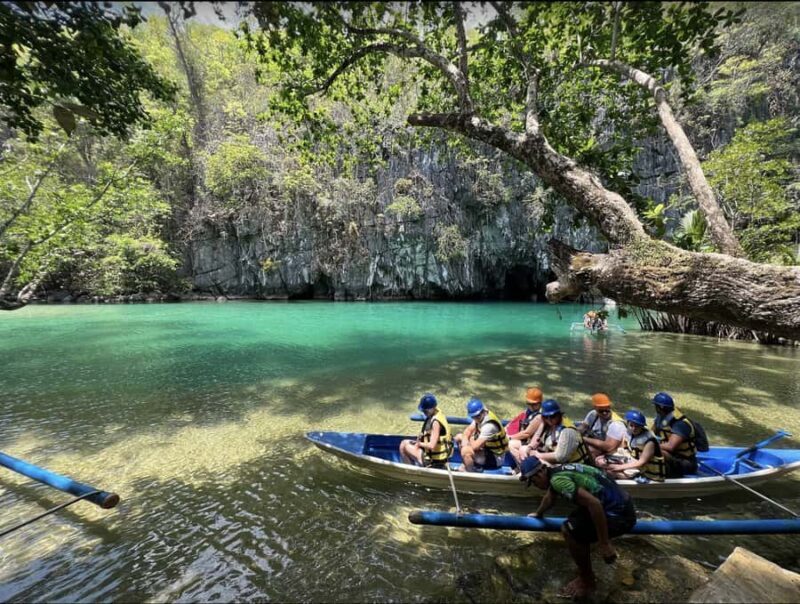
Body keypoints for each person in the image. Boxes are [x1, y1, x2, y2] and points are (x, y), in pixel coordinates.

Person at [520, 456, 637, 598]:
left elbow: (594, 504)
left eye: (533, 482)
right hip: (624, 504)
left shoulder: (558, 480)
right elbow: (550, 497)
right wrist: (538, 513)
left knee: (568, 530)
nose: (535, 486)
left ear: (539, 473)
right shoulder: (559, 470)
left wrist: (604, 543)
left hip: (619, 515)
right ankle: (587, 566)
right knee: (574, 520)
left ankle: (587, 581)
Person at [599, 410, 666, 482]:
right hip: (635, 465)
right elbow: (623, 451)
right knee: (601, 461)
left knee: (610, 471)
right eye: (631, 425)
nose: (633, 429)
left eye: (637, 426)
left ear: (642, 427)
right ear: (627, 423)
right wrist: (607, 457)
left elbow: (641, 462)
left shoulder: (650, 441)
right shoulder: (630, 435)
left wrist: (619, 467)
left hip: (648, 474)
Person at [454, 398, 509, 472]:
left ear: (483, 411)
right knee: (459, 437)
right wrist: (464, 439)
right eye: (473, 417)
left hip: (495, 457)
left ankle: (470, 472)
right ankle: (468, 463)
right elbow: (468, 430)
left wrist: (470, 439)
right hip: (485, 449)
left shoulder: (489, 426)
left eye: (477, 416)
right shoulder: (480, 416)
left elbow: (475, 447)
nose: (475, 418)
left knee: (465, 451)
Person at [651, 392, 699, 477]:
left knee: (656, 451)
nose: (654, 408)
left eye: (655, 406)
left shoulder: (680, 424)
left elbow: (670, 446)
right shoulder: (660, 418)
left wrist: (649, 445)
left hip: (685, 462)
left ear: (660, 407)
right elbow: (650, 434)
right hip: (672, 457)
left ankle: (666, 475)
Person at [532, 399, 592, 465]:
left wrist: (537, 455)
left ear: (559, 414)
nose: (549, 420)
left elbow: (560, 457)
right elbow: (536, 440)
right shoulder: (549, 425)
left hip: (575, 466)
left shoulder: (568, 431)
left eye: (552, 416)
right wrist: (529, 448)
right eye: (546, 417)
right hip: (558, 464)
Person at [399, 393, 452, 468]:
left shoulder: (436, 423)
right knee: (403, 442)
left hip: (433, 461)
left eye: (425, 411)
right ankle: (412, 468)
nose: (424, 413)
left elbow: (432, 445)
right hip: (433, 455)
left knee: (403, 447)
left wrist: (419, 444)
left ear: (431, 409)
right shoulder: (436, 414)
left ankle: (410, 472)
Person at [577, 393, 627, 462]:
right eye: (601, 411)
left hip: (612, 452)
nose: (604, 413)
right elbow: (583, 427)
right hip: (596, 445)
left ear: (610, 407)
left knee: (588, 450)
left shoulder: (616, 424)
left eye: (607, 410)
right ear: (595, 408)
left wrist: (583, 439)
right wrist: (575, 433)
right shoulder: (593, 414)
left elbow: (608, 447)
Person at [508, 387, 544, 466]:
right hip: (527, 441)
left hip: (536, 445)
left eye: (534, 404)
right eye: (529, 404)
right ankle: (520, 465)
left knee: (510, 444)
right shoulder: (529, 411)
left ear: (540, 403)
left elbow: (527, 433)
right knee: (510, 443)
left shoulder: (540, 416)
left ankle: (524, 467)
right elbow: (516, 421)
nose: (531, 406)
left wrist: (509, 437)